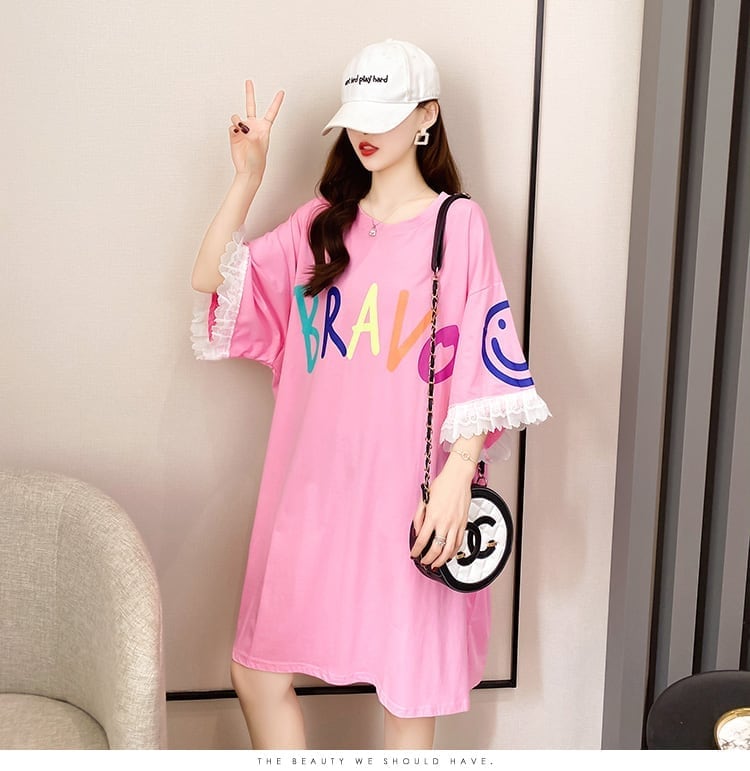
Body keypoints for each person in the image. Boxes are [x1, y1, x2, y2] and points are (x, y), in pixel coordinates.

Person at [190, 39, 551, 751]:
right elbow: (211, 281)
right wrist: (248, 177)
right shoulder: (320, 224)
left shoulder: (456, 224)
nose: (365, 132)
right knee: (256, 671)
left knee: (407, 690)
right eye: (357, 115)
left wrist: (457, 477)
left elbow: (485, 357)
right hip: (311, 494)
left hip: (408, 497)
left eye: (384, 115)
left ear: (427, 116)